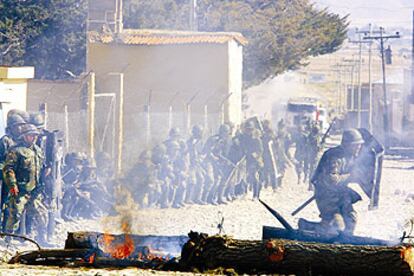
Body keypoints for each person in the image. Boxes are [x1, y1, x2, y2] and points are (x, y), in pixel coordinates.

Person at [310, 129, 364, 235]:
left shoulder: (351, 156)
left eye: (359, 145)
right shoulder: (334, 157)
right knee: (337, 226)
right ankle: (308, 226)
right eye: (355, 145)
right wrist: (350, 176)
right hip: (326, 195)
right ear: (347, 145)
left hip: (341, 194)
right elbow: (332, 180)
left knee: (351, 220)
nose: (359, 147)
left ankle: (344, 244)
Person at [3, 124, 48, 243]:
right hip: (20, 190)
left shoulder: (38, 151)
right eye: (30, 136)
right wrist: (13, 185)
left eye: (35, 136)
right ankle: (8, 241)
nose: (33, 138)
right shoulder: (16, 151)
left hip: (34, 191)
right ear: (24, 136)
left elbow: (40, 168)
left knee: (42, 214)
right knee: (15, 216)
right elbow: (9, 169)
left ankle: (42, 240)